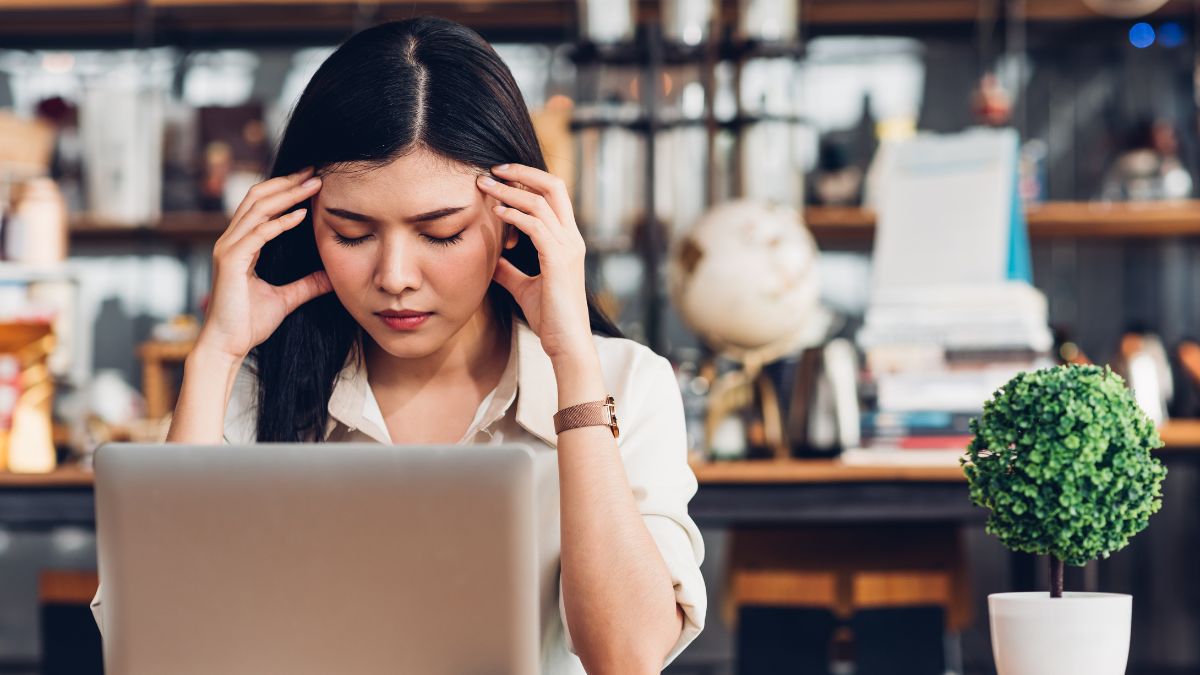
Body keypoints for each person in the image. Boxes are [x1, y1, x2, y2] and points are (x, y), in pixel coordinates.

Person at [89, 16, 706, 674]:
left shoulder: (624, 382)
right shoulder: (257, 385)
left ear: (517, 222)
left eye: (441, 233)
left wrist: (574, 362)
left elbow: (626, 656)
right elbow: (163, 653)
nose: (394, 277)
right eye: (352, 232)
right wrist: (215, 355)